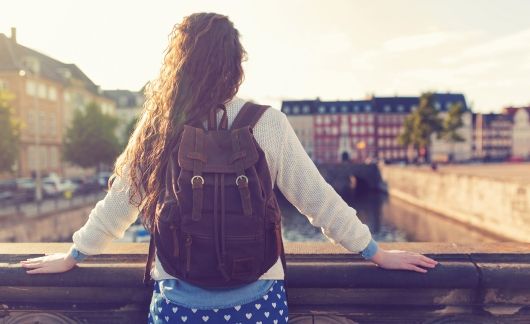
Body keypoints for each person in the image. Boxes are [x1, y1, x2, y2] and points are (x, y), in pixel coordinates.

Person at [20, 12, 438, 323]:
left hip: (178, 304)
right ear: (236, 66)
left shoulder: (160, 126)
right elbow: (318, 200)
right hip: (259, 299)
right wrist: (375, 251)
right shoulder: (266, 122)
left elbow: (121, 202)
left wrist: (75, 253)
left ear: (177, 67)